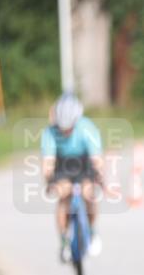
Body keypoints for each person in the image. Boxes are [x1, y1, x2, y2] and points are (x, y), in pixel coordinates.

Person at [41, 94, 104, 261]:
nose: (65, 131)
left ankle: (92, 230)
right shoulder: (50, 132)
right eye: (62, 128)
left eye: (69, 128)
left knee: (89, 193)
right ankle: (64, 241)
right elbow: (48, 163)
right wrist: (49, 182)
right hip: (62, 164)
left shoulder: (87, 128)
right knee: (63, 197)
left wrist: (100, 178)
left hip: (84, 163)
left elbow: (96, 159)